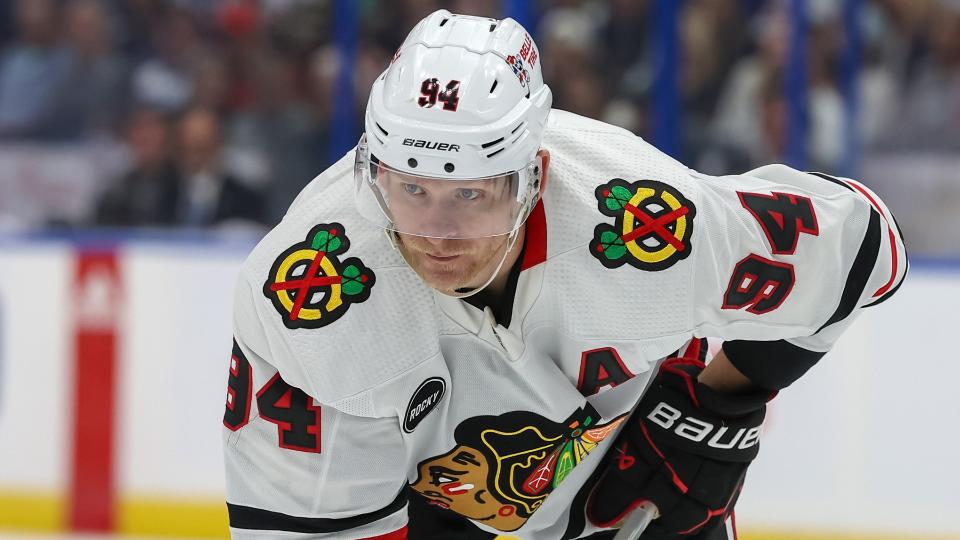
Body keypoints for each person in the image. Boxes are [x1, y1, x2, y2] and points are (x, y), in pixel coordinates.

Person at [222, 10, 907, 540]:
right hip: (412, 496)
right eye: (412, 189)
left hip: (626, 458)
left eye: (470, 194)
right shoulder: (308, 297)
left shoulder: (645, 226)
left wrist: (715, 408)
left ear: (534, 178)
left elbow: (860, 242)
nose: (437, 232)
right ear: (372, 174)